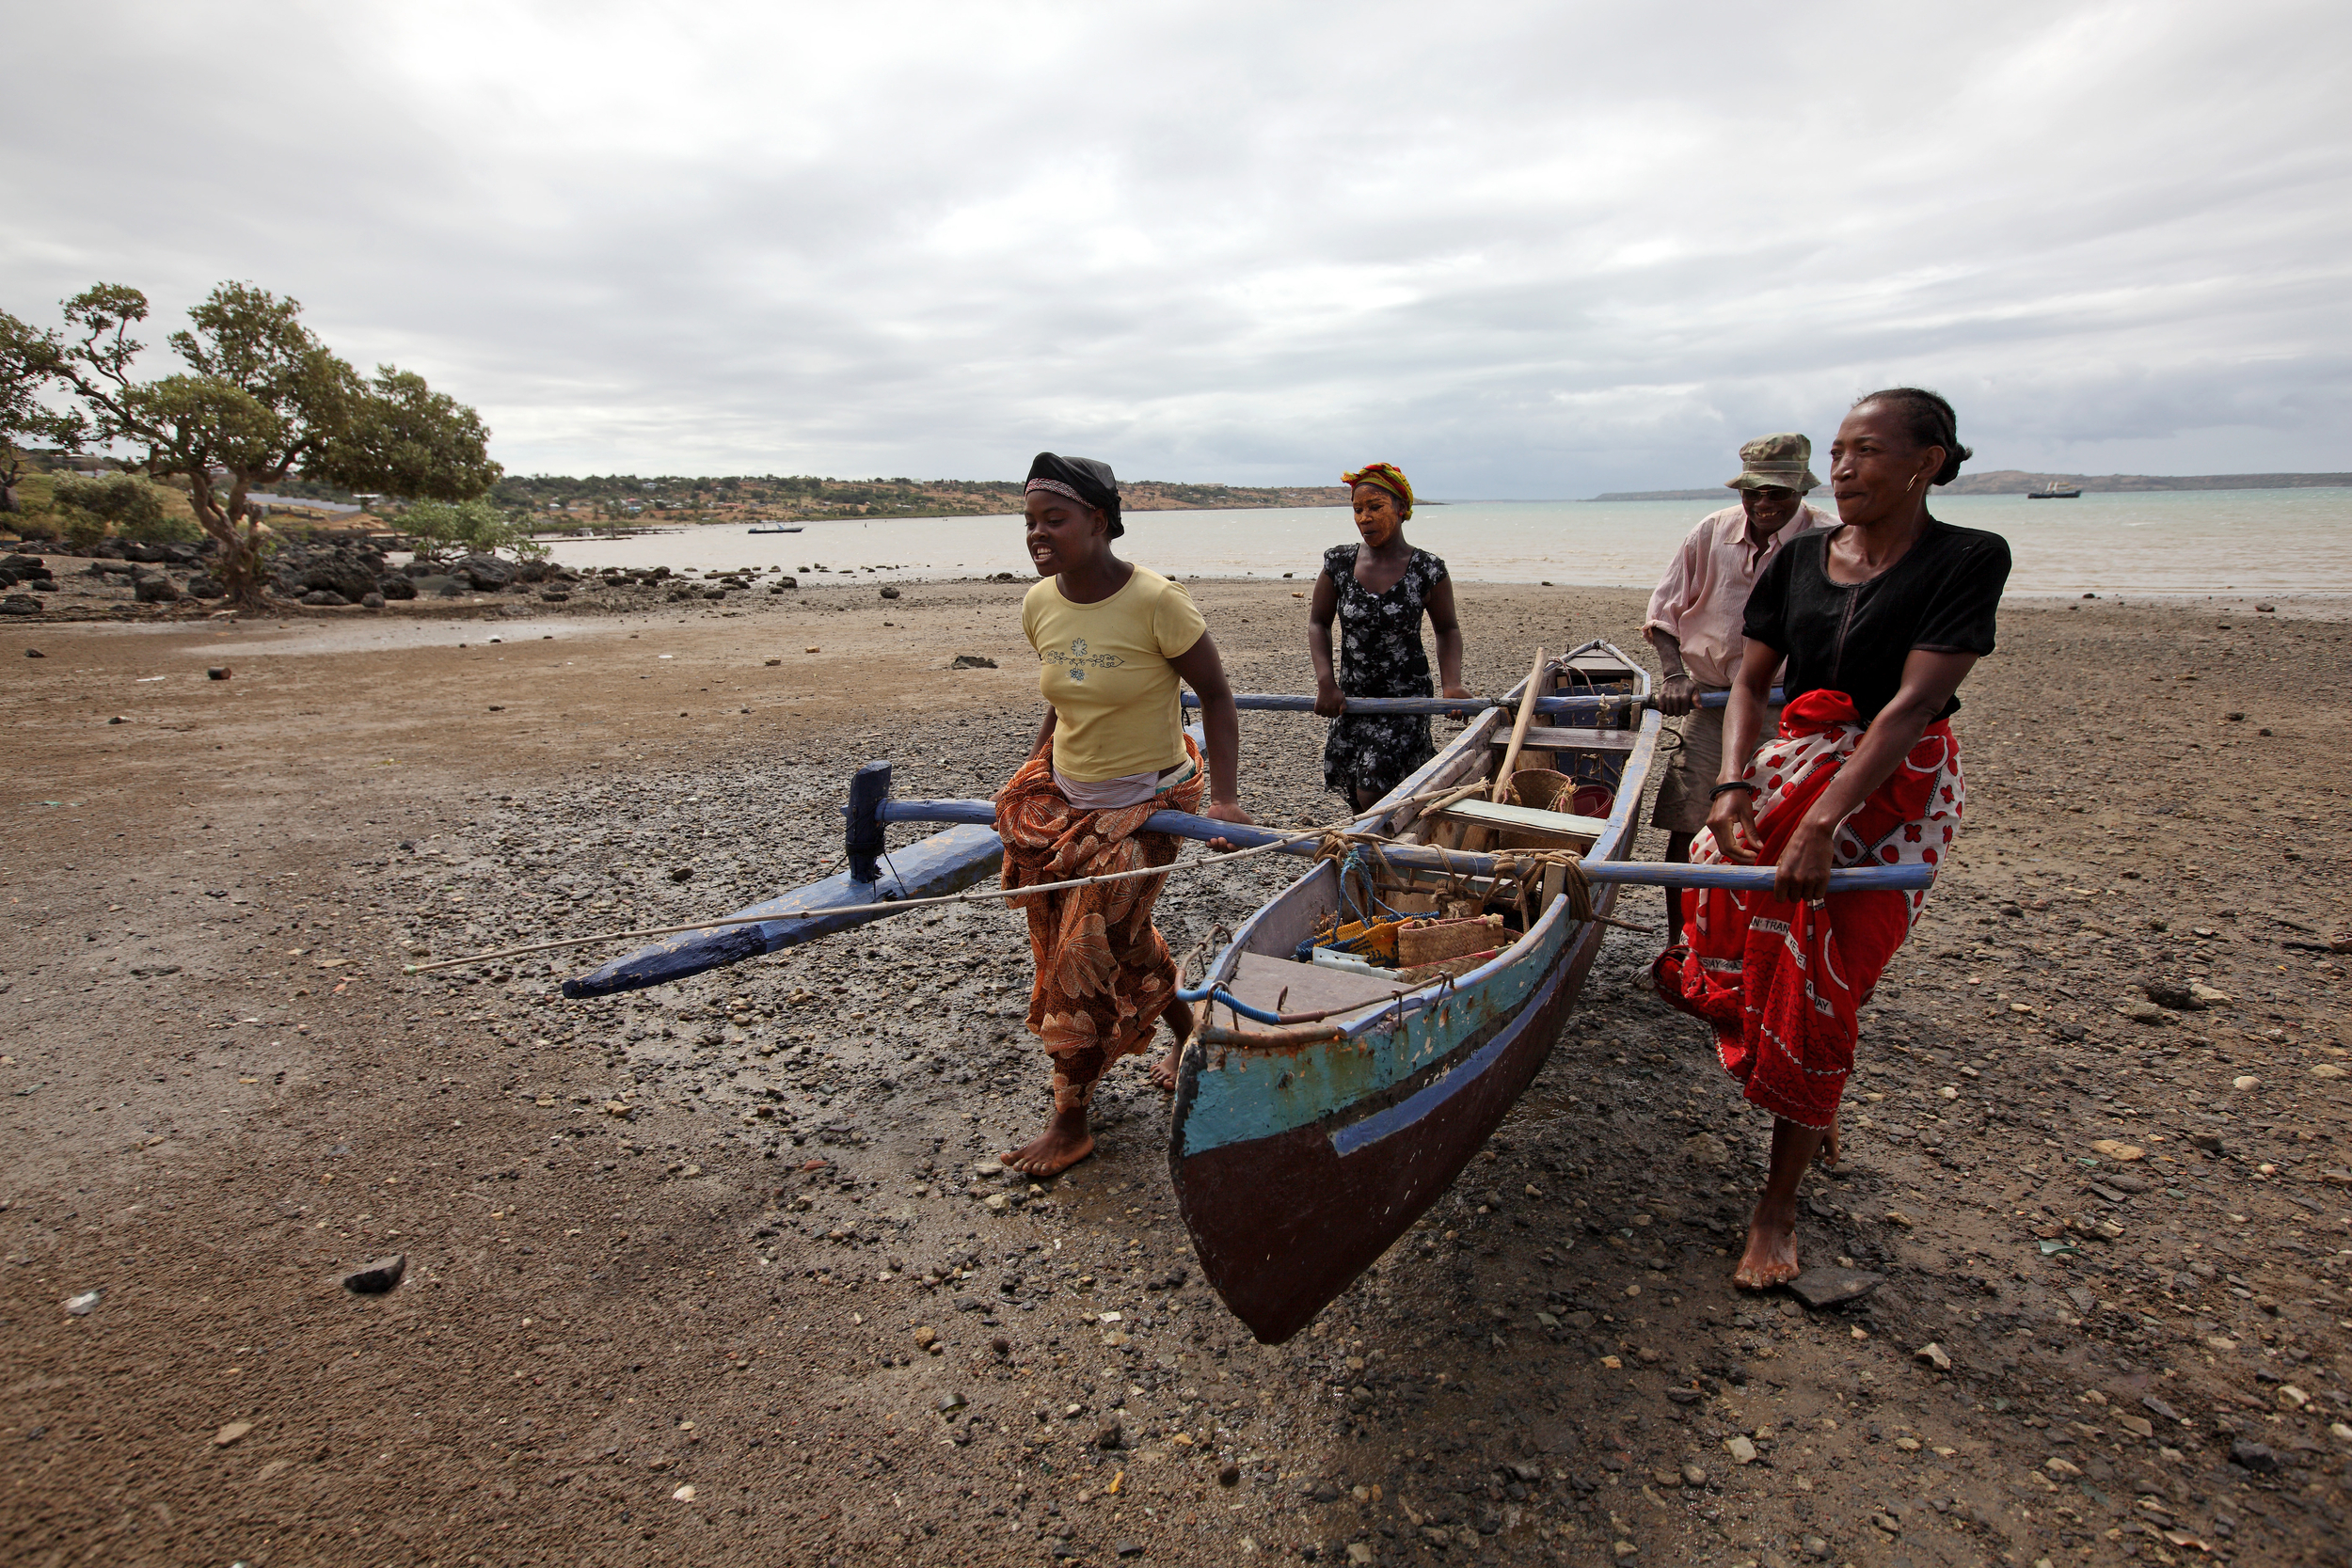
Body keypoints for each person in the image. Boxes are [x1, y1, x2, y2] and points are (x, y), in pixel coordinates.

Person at [1651, 389, 2010, 1291]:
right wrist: (1735, 782)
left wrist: (1822, 823)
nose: (1846, 469)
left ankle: (1777, 1203)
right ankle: (1808, 1092)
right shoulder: (1804, 557)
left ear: (1927, 460)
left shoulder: (1968, 557)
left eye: (1868, 452)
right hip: (1789, 758)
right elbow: (1748, 681)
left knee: (1829, 983)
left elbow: (1914, 704)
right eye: (1840, 452)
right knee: (1717, 902)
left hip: (1895, 789)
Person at [995, 451, 1254, 1174]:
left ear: (1099, 521)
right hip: (1073, 795)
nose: (1037, 534)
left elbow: (1219, 697)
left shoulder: (1157, 602)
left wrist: (1227, 799)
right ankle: (1189, 1025)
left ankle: (1070, 1118)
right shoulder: (1039, 602)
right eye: (1030, 521)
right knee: (1125, 931)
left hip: (1150, 801)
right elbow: (1064, 691)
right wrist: (1034, 771)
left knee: (1083, 944)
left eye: (1055, 519)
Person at [1644, 434, 1836, 936]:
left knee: (1785, 824)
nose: (1764, 504)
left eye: (1778, 493)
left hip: (1797, 708)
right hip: (1714, 704)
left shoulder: (1827, 539)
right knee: (1691, 821)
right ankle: (1678, 948)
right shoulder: (1711, 532)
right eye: (1755, 493)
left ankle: (1762, 944)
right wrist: (1674, 675)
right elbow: (1664, 615)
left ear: (1802, 490)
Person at [1310, 462, 1472, 812]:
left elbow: (1447, 629)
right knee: (1354, 789)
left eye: (1375, 507)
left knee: (1374, 788)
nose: (1364, 517)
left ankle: (1379, 850)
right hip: (1351, 697)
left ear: (1401, 509)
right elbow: (1318, 623)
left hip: (1405, 699)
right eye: (1357, 509)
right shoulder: (1338, 563)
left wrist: (1452, 684)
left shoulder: (1427, 569)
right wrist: (1326, 682)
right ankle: (1377, 856)